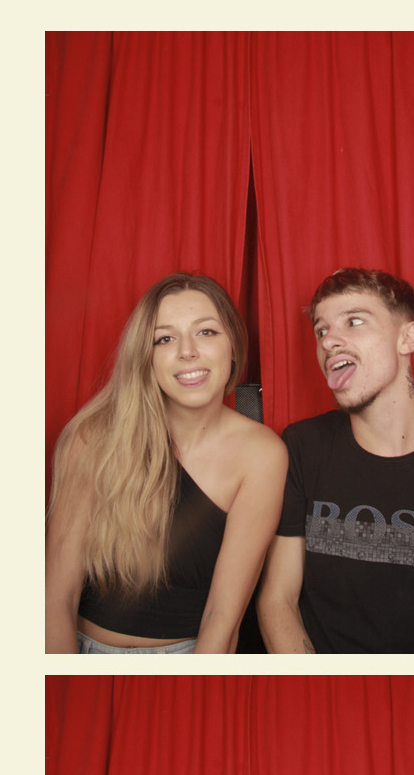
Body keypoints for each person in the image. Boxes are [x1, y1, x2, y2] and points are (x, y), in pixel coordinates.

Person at [46, 274, 287, 654]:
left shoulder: (263, 454)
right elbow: (56, 597)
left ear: (233, 346)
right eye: (165, 339)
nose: (187, 351)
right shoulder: (92, 438)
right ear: (145, 356)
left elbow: (223, 618)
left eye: (206, 332)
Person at [258, 268, 414, 654]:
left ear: (407, 338)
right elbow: (277, 599)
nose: (329, 340)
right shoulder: (303, 447)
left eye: (354, 321)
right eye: (321, 330)